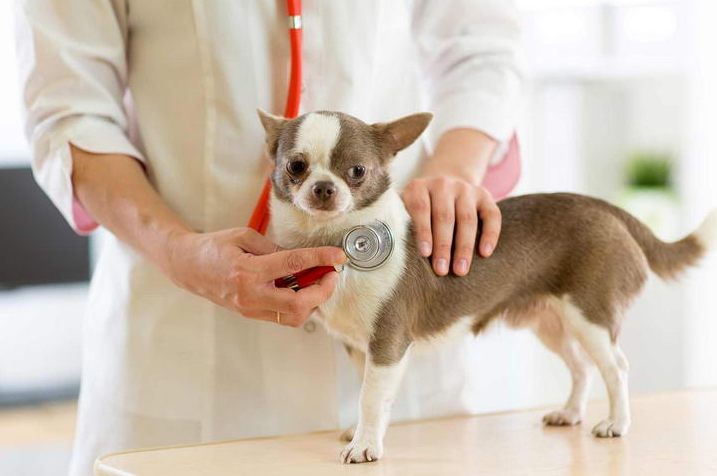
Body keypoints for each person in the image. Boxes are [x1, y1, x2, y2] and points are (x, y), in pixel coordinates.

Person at [15, 1, 522, 474]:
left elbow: (480, 49)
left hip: (402, 323)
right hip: (187, 351)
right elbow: (71, 111)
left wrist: (455, 169)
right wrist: (176, 250)